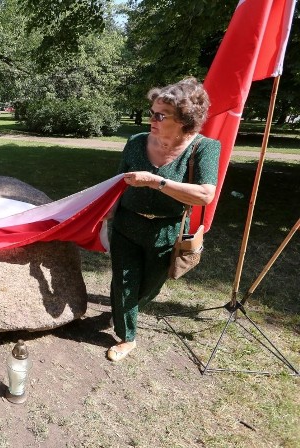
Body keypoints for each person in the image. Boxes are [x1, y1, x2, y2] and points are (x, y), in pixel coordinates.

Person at [106, 77, 220, 361]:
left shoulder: (204, 148)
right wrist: (106, 215)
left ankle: (126, 310)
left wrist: (155, 182)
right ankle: (126, 336)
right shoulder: (135, 142)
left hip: (167, 231)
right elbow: (117, 183)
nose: (152, 120)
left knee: (151, 287)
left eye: (160, 115)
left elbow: (205, 194)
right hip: (127, 223)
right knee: (124, 283)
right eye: (151, 112)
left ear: (184, 120)